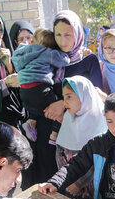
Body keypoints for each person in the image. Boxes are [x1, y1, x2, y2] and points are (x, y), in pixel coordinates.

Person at [38, 10, 103, 184]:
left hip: (84, 131)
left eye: (68, 34)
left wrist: (62, 104)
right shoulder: (50, 59)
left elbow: (95, 93)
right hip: (54, 128)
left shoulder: (88, 60)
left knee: (82, 179)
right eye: (58, 34)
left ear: (77, 33)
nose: (63, 40)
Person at [55, 76, 108, 199]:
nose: (64, 102)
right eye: (63, 97)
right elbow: (60, 151)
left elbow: (99, 160)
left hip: (94, 190)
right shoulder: (69, 117)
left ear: (84, 95)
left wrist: (78, 184)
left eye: (69, 96)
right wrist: (68, 182)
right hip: (70, 187)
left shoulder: (100, 119)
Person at [11, 28, 69, 145]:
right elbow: (64, 60)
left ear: (32, 41)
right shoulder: (46, 52)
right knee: (60, 112)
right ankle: (54, 135)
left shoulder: (23, 52)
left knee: (37, 106)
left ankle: (31, 122)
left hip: (24, 91)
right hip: (40, 87)